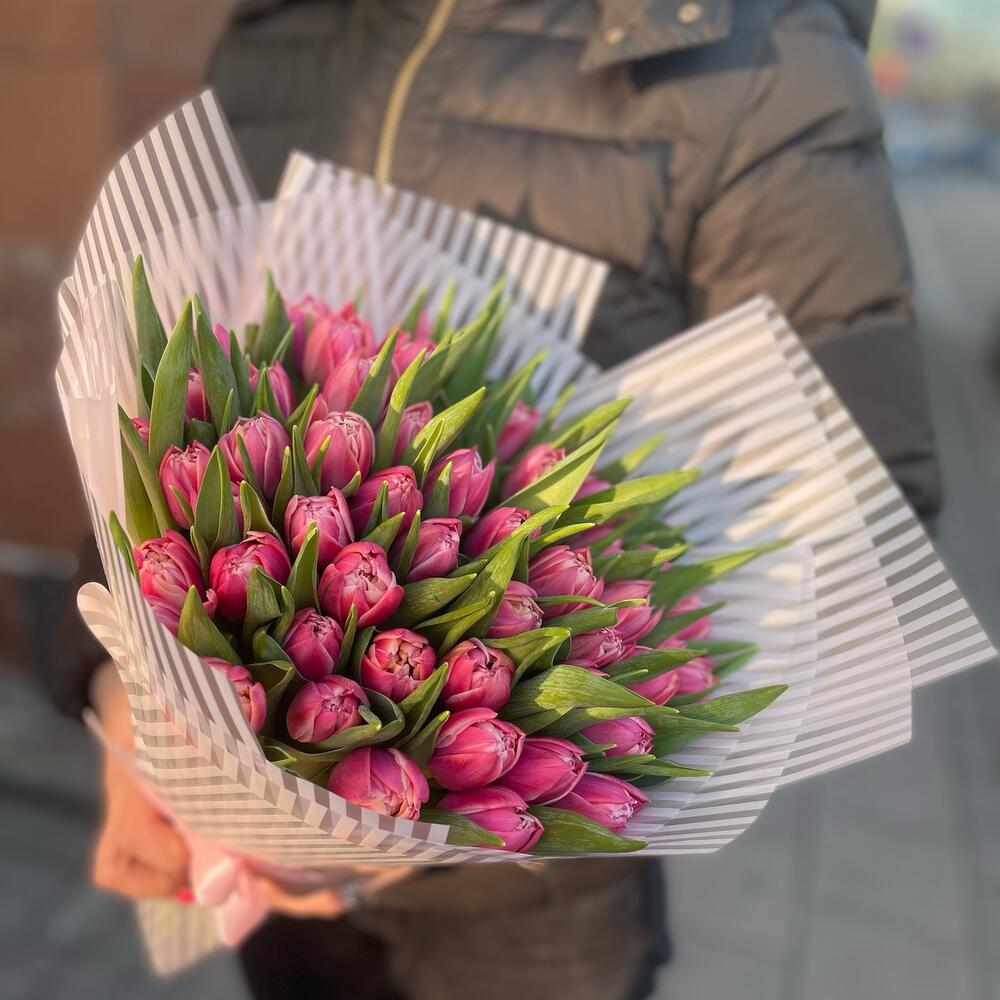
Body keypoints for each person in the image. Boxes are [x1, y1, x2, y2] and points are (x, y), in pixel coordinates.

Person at [49, 2, 940, 999]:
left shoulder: (761, 52)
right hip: (273, 885)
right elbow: (195, 384)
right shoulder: (281, 22)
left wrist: (396, 828)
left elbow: (856, 503)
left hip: (529, 906)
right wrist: (126, 693)